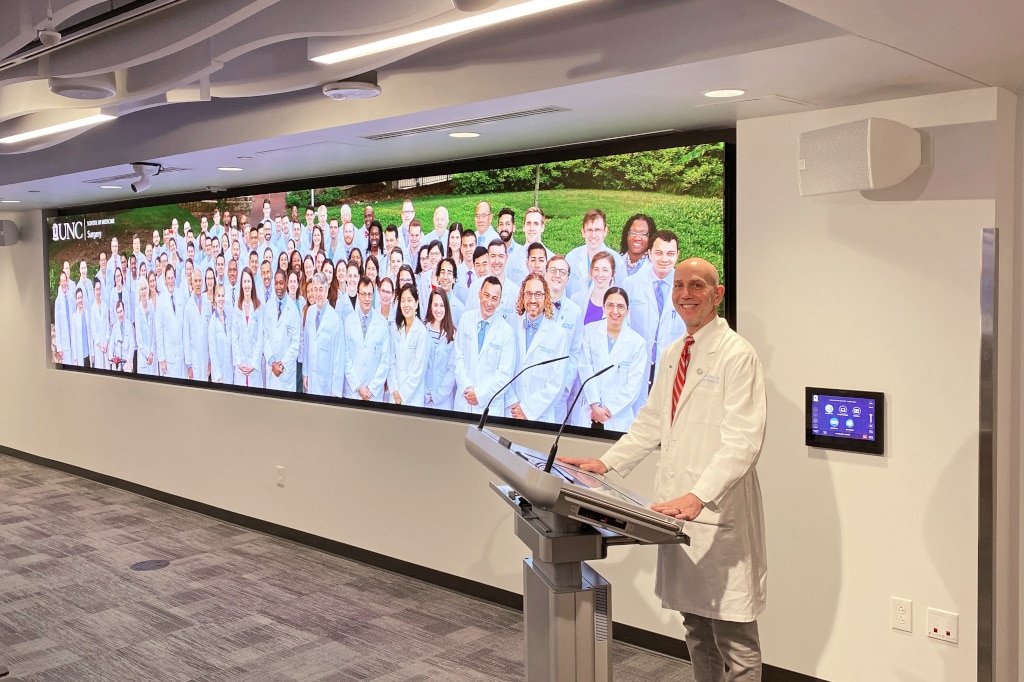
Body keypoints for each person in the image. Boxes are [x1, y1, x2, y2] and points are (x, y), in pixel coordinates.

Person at [559, 258, 768, 682]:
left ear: (717, 294)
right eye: (678, 286)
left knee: (736, 645)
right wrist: (607, 462)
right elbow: (651, 424)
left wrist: (699, 496)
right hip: (677, 513)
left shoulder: (737, 356)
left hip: (714, 512)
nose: (685, 294)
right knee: (695, 628)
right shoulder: (675, 353)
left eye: (696, 286)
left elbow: (743, 441)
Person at [574, 287, 647, 430]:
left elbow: (633, 386)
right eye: (610, 305)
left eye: (620, 306)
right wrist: (595, 405)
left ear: (627, 311)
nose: (615, 311)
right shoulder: (590, 331)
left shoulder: (637, 343)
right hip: (589, 411)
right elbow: (585, 368)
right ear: (603, 307)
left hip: (617, 417)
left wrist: (608, 410)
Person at [623, 230, 686, 394]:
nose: (664, 259)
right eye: (659, 253)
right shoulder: (630, 285)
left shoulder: (687, 290)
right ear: (649, 253)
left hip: (671, 368)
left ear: (678, 255)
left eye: (670, 253)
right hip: (635, 367)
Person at [507, 275, 571, 423]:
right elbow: (502, 368)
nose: (533, 300)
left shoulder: (558, 334)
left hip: (540, 416)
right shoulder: (510, 324)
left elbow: (557, 384)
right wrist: (513, 402)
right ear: (522, 296)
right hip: (510, 409)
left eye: (538, 294)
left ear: (546, 297)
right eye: (528, 294)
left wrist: (527, 409)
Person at [453, 276, 515, 415]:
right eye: (486, 295)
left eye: (494, 298)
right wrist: (467, 388)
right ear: (479, 294)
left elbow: (504, 375)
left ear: (500, 301)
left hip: (489, 407)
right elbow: (458, 357)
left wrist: (479, 396)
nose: (489, 302)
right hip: (463, 401)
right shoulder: (466, 319)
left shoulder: (507, 332)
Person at [545, 255, 584, 423]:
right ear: (545, 274)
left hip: (560, 391)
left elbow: (575, 352)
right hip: (533, 386)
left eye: (562, 272)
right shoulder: (533, 305)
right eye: (553, 270)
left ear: (568, 278)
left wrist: (565, 386)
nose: (557, 275)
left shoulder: (575, 312)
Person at [344, 276, 391, 401]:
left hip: (374, 394)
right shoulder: (348, 322)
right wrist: (358, 387)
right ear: (358, 295)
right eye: (363, 294)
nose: (366, 298)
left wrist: (371, 388)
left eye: (370, 294)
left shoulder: (382, 323)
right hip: (353, 391)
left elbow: (385, 361)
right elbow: (345, 357)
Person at [565, 208, 625, 298]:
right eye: (589, 230)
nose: (593, 235)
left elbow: (622, 295)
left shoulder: (617, 261)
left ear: (605, 232)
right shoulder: (571, 258)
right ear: (583, 232)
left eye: (597, 230)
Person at [389, 284, 429, 407]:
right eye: (403, 300)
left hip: (412, 398)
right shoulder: (397, 328)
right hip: (394, 395)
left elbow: (419, 371)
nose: (406, 305)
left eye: (410, 300)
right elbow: (391, 361)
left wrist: (402, 394)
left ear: (416, 303)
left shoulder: (422, 332)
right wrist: (394, 390)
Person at [264, 268, 302, 393]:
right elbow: (265, 337)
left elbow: (295, 345)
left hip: (286, 371)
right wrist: (272, 362)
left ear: (286, 283)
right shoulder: (268, 306)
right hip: (271, 369)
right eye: (276, 283)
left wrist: (281, 364)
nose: (279, 286)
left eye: (281, 283)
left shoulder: (294, 311)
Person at [423, 288, 457, 410]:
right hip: (422, 396)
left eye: (442, 305)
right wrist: (425, 392)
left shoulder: (453, 335)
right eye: (435, 305)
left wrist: (437, 396)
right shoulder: (422, 329)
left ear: (446, 308)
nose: (438, 309)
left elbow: (452, 370)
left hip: (443, 401)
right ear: (430, 306)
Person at [232, 267, 264, 388]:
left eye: (249, 281)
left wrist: (253, 363)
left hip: (253, 367)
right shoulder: (237, 306)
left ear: (252, 284)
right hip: (241, 367)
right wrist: (239, 362)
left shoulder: (258, 306)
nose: (246, 285)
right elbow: (234, 337)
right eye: (244, 282)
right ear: (241, 284)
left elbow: (260, 338)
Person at [156, 264, 186, 378]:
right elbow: (159, 330)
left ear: (175, 278)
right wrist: (162, 358)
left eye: (172, 278)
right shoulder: (161, 300)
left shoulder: (181, 295)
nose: (170, 281)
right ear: (164, 280)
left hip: (181, 352)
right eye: (168, 278)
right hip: (168, 356)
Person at [572, 251, 617, 326]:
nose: (600, 274)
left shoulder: (620, 303)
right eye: (596, 269)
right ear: (591, 272)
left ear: (613, 273)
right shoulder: (576, 300)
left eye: (605, 270)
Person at [183, 269, 211, 381]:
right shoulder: (188, 307)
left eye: (200, 281)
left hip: (205, 357)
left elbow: (209, 335)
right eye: (196, 281)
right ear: (192, 283)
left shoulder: (208, 304)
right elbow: (186, 338)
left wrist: (210, 360)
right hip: (193, 358)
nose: (198, 284)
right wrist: (189, 365)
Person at [208, 284, 232, 384]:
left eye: (223, 296)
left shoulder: (228, 319)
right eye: (219, 296)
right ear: (215, 298)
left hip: (229, 371)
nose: (221, 299)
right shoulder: (212, 322)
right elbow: (213, 352)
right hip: (219, 376)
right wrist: (219, 376)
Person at [619, 213, 656, 277]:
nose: (637, 238)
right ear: (626, 235)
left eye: (643, 234)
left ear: (651, 238)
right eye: (633, 233)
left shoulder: (654, 267)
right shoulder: (616, 260)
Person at [135, 277, 157, 376]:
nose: (143, 291)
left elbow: (154, 332)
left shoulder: (151, 306)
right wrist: (148, 354)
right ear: (139, 292)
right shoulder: (137, 311)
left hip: (152, 355)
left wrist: (151, 353)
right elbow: (139, 341)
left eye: (145, 288)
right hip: (144, 358)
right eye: (141, 289)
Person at [88, 278, 110, 370]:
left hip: (106, 344)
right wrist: (100, 346)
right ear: (94, 290)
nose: (98, 291)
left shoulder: (105, 306)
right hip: (98, 346)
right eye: (97, 289)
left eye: (99, 289)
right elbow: (93, 330)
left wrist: (106, 343)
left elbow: (107, 326)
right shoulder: (92, 309)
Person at [108, 300, 135, 372]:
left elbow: (132, 344)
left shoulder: (129, 325)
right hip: (117, 360)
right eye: (118, 312)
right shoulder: (115, 326)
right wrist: (111, 358)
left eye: (121, 311)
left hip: (127, 360)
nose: (120, 314)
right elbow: (111, 345)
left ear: (124, 311)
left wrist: (129, 359)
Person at [53, 270, 73, 364]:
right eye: (62, 281)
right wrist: (59, 347)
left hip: (73, 337)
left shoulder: (72, 297)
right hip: (64, 341)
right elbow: (57, 325)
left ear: (67, 281)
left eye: (65, 280)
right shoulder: (58, 302)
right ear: (60, 283)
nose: (64, 283)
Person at [70, 287, 90, 367]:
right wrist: (75, 358)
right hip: (79, 355)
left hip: (88, 355)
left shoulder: (87, 313)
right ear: (76, 300)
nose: (80, 300)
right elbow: (73, 339)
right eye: (78, 298)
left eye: (81, 297)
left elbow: (90, 334)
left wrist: (92, 354)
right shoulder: (74, 317)